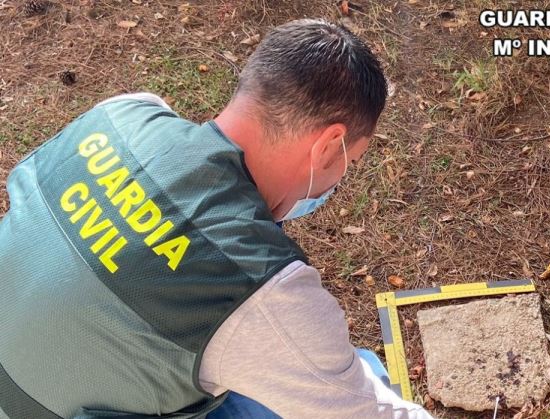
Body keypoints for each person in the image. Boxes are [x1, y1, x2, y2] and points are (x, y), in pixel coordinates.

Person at [0, 19, 433, 419]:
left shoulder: (121, 114)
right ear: (327, 145)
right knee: (368, 372)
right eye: (350, 161)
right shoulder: (259, 289)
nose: (341, 177)